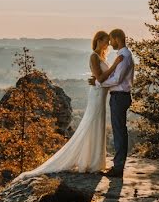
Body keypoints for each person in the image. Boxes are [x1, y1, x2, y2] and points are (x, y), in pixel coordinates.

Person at [14, 30, 122, 181]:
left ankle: (95, 161)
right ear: (98, 40)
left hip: (102, 95)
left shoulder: (102, 56)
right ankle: (90, 162)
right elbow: (101, 78)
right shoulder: (94, 56)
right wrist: (115, 65)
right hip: (97, 95)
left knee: (99, 124)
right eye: (106, 40)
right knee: (92, 123)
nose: (108, 43)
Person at [89, 28, 134, 178]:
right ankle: (118, 165)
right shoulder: (122, 55)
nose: (110, 43)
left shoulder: (124, 56)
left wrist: (97, 82)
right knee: (119, 130)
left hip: (120, 96)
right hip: (118, 96)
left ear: (117, 38)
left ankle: (118, 167)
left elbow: (117, 79)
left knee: (119, 131)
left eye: (111, 40)